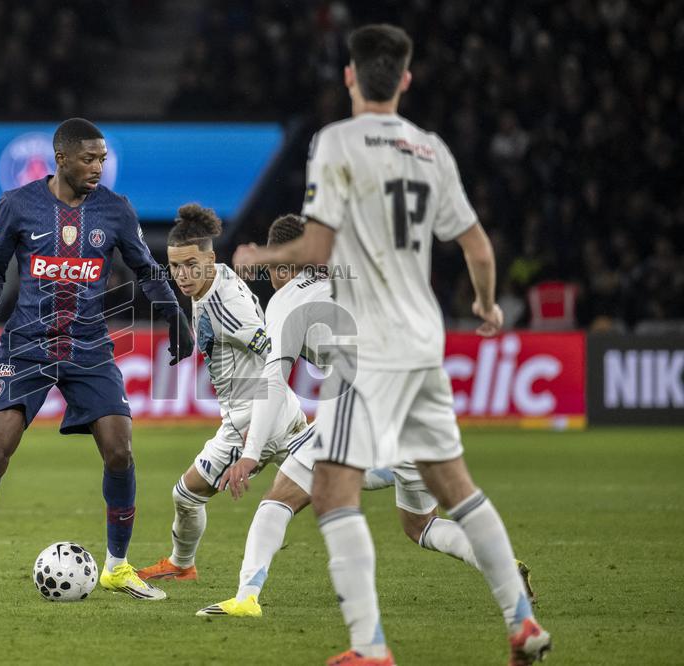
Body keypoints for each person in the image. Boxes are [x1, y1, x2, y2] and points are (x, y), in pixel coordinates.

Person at [233, 26, 551, 666]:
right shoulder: (431, 149)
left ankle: (369, 647)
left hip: (370, 351)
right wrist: (486, 305)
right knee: (453, 486)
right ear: (406, 80)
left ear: (351, 77)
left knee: (329, 491)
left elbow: (317, 250)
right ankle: (521, 621)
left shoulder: (335, 143)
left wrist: (260, 253)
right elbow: (477, 247)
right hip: (425, 340)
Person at [197, 215, 534, 618]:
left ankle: (246, 598)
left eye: (272, 268)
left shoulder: (286, 301)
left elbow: (273, 380)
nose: (270, 278)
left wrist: (251, 453)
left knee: (279, 498)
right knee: (421, 526)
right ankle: (502, 568)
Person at [0, 118, 194, 602]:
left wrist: (175, 316)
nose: (97, 168)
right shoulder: (18, 205)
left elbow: (145, 267)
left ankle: (116, 566)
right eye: (88, 159)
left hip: (89, 346)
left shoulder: (115, 210)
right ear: (62, 158)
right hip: (27, 343)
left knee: (120, 449)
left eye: (102, 160)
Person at [135, 204, 315, 583]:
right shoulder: (214, 278)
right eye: (175, 266)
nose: (182, 275)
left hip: (250, 419)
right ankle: (405, 473)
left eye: (190, 265)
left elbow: (275, 356)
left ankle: (182, 565)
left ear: (210, 259)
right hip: (278, 412)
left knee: (186, 493)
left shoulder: (224, 305)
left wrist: (255, 432)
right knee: (331, 481)